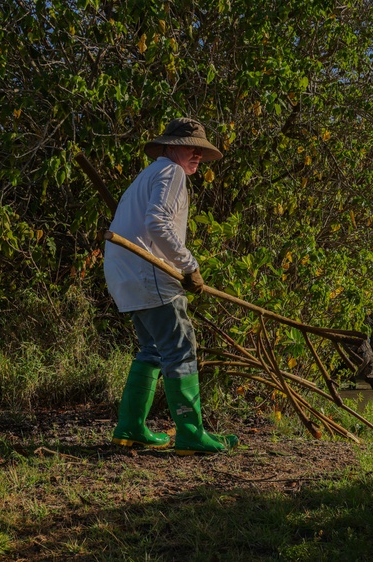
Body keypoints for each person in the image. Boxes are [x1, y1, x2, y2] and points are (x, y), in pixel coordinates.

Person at [104, 117, 238, 455]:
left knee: (151, 350)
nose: (196, 155)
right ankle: (191, 433)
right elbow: (157, 222)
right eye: (190, 148)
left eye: (199, 150)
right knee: (180, 348)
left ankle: (130, 427)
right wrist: (190, 266)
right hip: (149, 275)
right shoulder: (171, 172)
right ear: (169, 147)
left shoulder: (148, 174)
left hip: (125, 276)